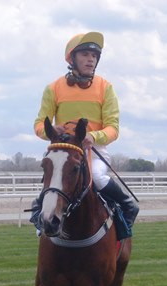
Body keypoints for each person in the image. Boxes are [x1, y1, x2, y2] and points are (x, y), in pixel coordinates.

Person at [31, 31, 139, 235]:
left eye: (94, 56)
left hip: (93, 150)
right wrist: (50, 131)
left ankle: (128, 205)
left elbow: (113, 128)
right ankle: (40, 214)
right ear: (72, 58)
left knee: (96, 176)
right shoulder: (53, 88)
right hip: (63, 150)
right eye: (85, 54)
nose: (91, 59)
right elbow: (39, 124)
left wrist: (93, 136)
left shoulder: (105, 88)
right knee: (54, 177)